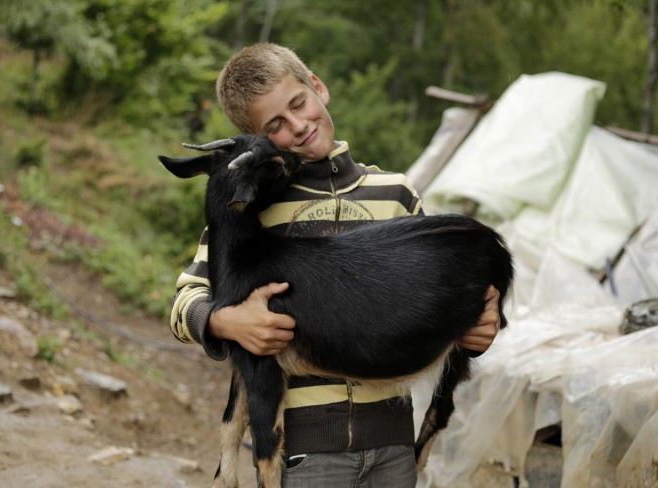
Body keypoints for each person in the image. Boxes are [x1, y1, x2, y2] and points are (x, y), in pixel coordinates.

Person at [169, 43, 501, 488]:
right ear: (259, 142)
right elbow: (185, 299)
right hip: (306, 452)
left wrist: (482, 328)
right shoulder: (253, 211)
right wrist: (226, 321)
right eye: (276, 127)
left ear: (317, 88)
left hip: (393, 446)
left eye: (299, 104)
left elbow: (439, 293)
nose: (299, 125)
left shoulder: (397, 194)